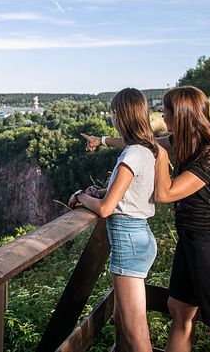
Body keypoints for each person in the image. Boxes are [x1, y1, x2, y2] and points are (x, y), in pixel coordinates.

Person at [82, 86, 210, 352]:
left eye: (166, 110)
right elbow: (140, 144)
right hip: (191, 241)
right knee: (179, 311)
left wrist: (160, 158)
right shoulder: (185, 141)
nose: (162, 115)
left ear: (181, 115)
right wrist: (102, 140)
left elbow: (165, 193)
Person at [68, 88, 158, 352]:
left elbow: (107, 208)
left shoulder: (131, 155)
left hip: (128, 241)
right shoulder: (146, 149)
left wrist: (81, 197)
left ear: (119, 114)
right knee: (122, 321)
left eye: (113, 112)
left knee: (136, 334)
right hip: (139, 236)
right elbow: (124, 192)